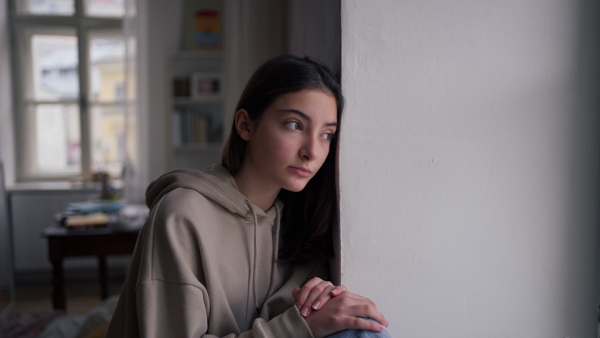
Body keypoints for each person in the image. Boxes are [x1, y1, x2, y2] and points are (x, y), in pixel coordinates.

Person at [106, 54, 390, 338]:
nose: (312, 152)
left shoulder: (304, 223)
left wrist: (321, 301)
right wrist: (298, 327)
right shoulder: (181, 214)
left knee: (361, 327)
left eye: (326, 134)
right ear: (245, 125)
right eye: (295, 125)